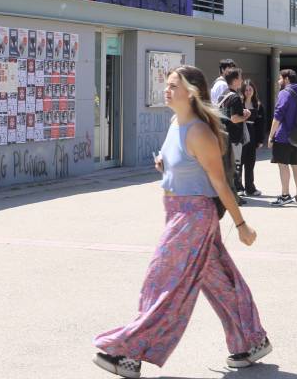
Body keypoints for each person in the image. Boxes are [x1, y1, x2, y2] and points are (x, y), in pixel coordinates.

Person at [93, 65, 271, 378]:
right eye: (168, 84)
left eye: (174, 85)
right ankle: (251, 341)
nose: (167, 89)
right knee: (221, 282)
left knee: (162, 284)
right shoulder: (176, 122)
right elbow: (181, 165)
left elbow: (220, 183)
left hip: (194, 218)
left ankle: (130, 352)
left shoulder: (200, 132)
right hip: (177, 213)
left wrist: (242, 225)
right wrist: (165, 165)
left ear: (190, 92)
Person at [266, 69, 297, 206]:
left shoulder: (284, 93)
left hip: (283, 135)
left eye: (280, 78)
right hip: (296, 135)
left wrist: (271, 136)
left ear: (286, 79)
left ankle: (285, 195)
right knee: (296, 165)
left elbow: (278, 116)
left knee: (283, 166)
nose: (278, 81)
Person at [217, 69, 248, 195]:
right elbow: (235, 118)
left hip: (223, 135)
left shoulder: (222, 96)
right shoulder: (235, 97)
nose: (241, 80)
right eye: (240, 78)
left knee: (225, 166)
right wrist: (245, 116)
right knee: (236, 166)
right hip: (234, 138)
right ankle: (235, 195)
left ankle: (226, 192)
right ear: (235, 80)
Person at [240, 79, 266, 197]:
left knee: (250, 163)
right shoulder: (238, 103)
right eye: (246, 90)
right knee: (239, 162)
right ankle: (238, 187)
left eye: (250, 89)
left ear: (254, 90)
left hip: (252, 134)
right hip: (240, 135)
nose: (248, 92)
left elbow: (261, 124)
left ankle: (250, 188)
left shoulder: (258, 105)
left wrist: (260, 140)